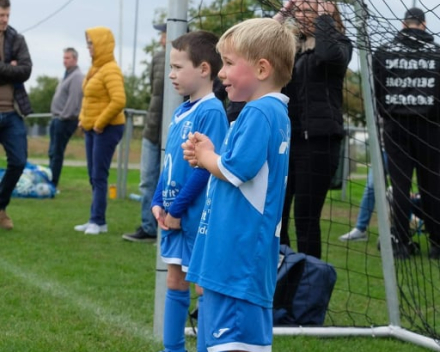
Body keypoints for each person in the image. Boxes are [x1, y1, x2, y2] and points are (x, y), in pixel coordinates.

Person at [182, 17, 295, 352]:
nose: (221, 72)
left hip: (238, 264)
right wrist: (208, 154)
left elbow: (235, 170)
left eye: (229, 63)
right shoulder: (263, 113)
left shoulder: (260, 113)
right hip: (229, 262)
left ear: (262, 69)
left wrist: (208, 157)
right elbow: (236, 168)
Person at [151, 30, 228, 352]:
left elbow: (204, 170)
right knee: (174, 280)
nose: (172, 74)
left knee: (202, 287)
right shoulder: (182, 110)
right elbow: (170, 161)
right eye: (171, 66)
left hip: (193, 216)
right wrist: (158, 200)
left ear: (205, 69)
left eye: (179, 67)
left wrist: (178, 210)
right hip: (172, 214)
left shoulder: (211, 111)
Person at [274, 0, 353, 259]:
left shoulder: (339, 44)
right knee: (277, 218)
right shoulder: (289, 47)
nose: (302, 15)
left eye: (309, 10)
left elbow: (327, 56)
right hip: (287, 143)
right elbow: (258, 43)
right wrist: (284, 11)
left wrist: (324, 19)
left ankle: (309, 291)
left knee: (306, 221)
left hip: (319, 144)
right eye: (300, 10)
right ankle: (280, 280)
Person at [373, 7, 440, 260]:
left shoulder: (383, 52)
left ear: (404, 24)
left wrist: (389, 112)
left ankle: (401, 240)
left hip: (395, 125)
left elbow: (377, 91)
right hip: (431, 127)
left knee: (399, 185)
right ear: (423, 25)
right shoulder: (437, 53)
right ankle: (437, 242)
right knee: (432, 185)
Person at [74, 27, 126, 235]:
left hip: (107, 129)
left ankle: (98, 221)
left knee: (99, 175)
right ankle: (95, 219)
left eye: (91, 43)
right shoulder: (96, 68)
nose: (88, 48)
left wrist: (99, 123)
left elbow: (119, 100)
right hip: (92, 128)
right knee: (93, 175)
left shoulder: (111, 69)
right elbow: (89, 99)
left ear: (102, 44)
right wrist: (82, 119)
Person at [122, 23, 166, 242]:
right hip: (152, 130)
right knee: (147, 181)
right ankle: (148, 228)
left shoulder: (190, 59)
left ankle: (168, 229)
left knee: (171, 182)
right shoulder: (158, 58)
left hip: (172, 133)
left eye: (164, 34)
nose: (160, 39)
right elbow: (153, 91)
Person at [0, 0, 33, 230]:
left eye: (7, 15)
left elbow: (26, 70)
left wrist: (4, 69)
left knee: (19, 161)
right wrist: (9, 68)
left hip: (12, 112)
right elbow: (15, 71)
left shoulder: (17, 39)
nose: (4, 19)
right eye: (1, 15)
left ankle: (0, 207)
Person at [48, 47, 84, 189]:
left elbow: (74, 100)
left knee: (57, 153)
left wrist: (63, 117)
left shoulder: (76, 76)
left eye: (68, 58)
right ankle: (50, 178)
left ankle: (53, 183)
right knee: (52, 152)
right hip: (57, 118)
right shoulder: (67, 75)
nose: (65, 61)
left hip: (64, 120)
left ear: (75, 59)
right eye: (64, 58)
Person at [339, 152, 388, 242]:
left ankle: (401, 234)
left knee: (401, 189)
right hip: (382, 150)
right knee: (371, 186)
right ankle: (360, 229)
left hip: (405, 147)